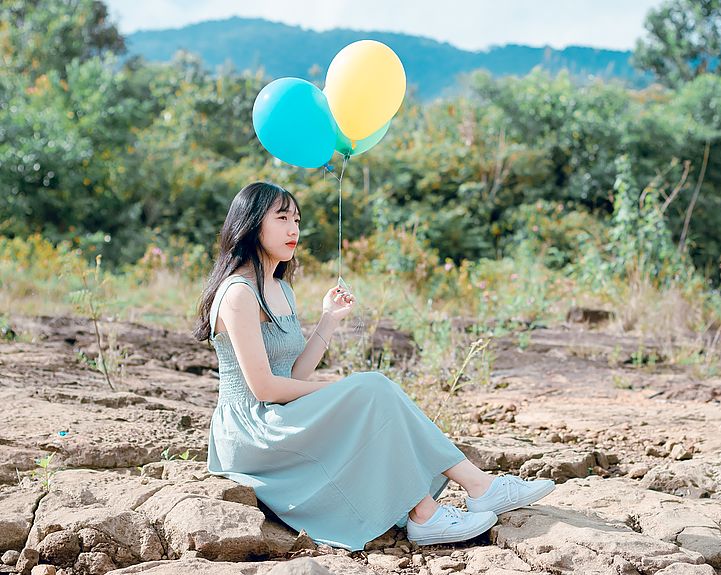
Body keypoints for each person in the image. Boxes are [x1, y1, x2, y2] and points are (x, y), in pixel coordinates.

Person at [192, 181, 556, 551]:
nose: (293, 230)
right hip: (252, 430)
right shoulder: (238, 292)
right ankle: (455, 500)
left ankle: (456, 498)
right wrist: (342, 391)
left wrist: (329, 320)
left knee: (372, 391)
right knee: (370, 388)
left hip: (279, 416)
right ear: (252, 223)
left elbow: (294, 377)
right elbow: (265, 389)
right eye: (282, 218)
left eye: (297, 220)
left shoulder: (281, 289)